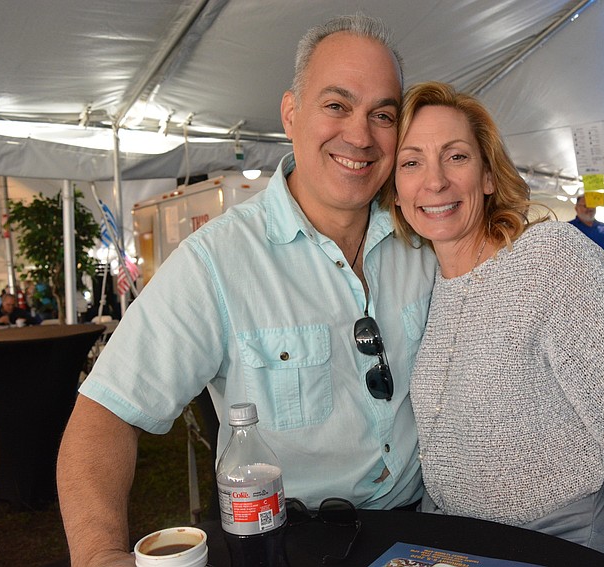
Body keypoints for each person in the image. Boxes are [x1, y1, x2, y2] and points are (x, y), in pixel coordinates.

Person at [57, 14, 436, 567]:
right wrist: (98, 556)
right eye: (336, 105)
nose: (360, 135)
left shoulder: (424, 238)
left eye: (382, 114)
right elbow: (105, 413)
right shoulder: (219, 261)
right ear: (291, 112)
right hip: (287, 545)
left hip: (424, 533)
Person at [383, 81, 604, 567]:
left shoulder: (550, 260)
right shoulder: (418, 279)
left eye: (456, 156)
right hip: (456, 544)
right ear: (395, 191)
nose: (434, 181)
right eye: (411, 162)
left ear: (488, 176)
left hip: (563, 542)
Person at [570, 194, 604, 267]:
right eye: (585, 206)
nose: (590, 209)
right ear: (576, 208)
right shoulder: (569, 228)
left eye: (592, 205)